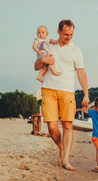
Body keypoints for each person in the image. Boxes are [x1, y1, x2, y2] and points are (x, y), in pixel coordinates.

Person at [34, 19, 90, 171]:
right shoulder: (48, 45)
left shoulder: (76, 50)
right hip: (48, 89)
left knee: (67, 124)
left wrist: (86, 94)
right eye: (66, 34)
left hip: (67, 91)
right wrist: (44, 60)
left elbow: (81, 72)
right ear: (58, 31)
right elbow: (36, 66)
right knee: (52, 126)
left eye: (71, 34)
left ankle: (65, 159)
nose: (69, 37)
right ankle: (62, 148)